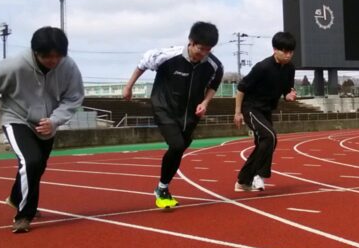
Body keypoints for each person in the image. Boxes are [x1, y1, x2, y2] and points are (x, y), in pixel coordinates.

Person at [0, 26, 84, 233]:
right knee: (31, 162)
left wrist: (55, 120)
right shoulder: (14, 65)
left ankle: (15, 197)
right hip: (16, 118)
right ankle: (24, 215)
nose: (53, 61)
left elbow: (74, 97)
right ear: (36, 52)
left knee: (38, 167)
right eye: (48, 56)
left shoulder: (68, 67)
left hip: (47, 123)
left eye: (58, 56)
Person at [123, 21, 223, 208]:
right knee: (177, 145)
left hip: (190, 113)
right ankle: (162, 188)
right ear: (191, 42)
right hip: (164, 107)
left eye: (208, 50)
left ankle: (163, 187)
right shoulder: (166, 56)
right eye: (200, 49)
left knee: (182, 146)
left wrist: (204, 103)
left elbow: (213, 85)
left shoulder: (214, 65)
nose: (204, 54)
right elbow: (142, 64)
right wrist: (129, 86)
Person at [233, 31, 297, 192]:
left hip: (267, 110)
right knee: (270, 137)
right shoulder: (262, 67)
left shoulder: (290, 68)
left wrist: (289, 96)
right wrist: (238, 113)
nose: (288, 55)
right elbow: (241, 88)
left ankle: (243, 181)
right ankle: (258, 175)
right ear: (275, 50)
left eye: (291, 52)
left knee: (265, 143)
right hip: (251, 108)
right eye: (285, 51)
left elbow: (287, 90)